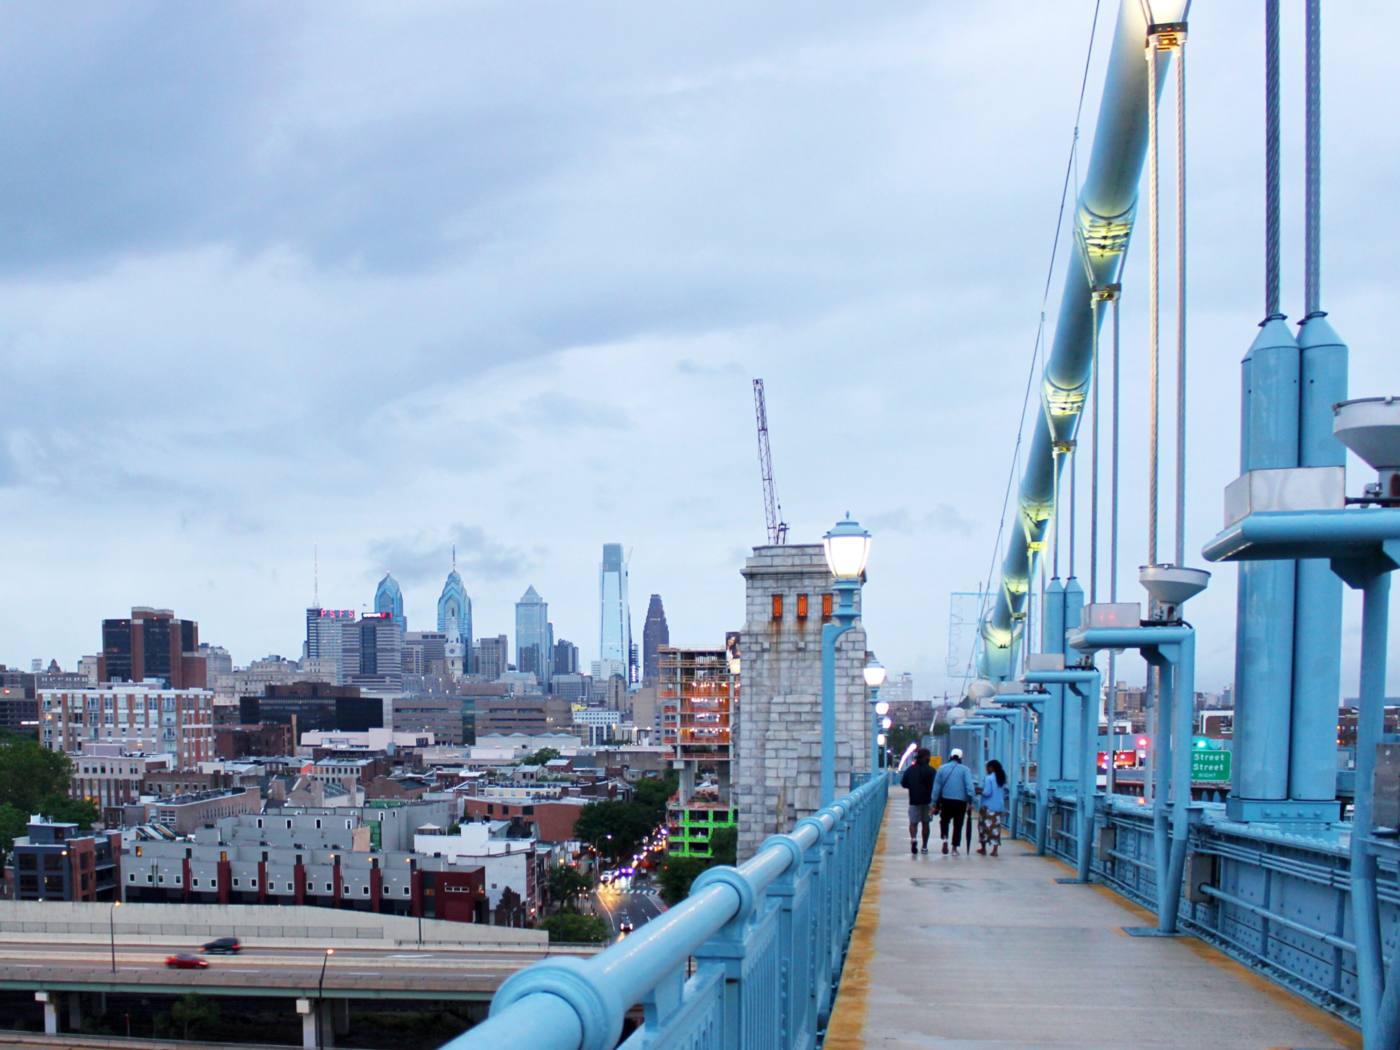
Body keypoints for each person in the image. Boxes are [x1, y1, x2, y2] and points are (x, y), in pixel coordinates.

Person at [932, 747, 976, 855]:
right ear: (961, 758)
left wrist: (933, 803)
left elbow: (936, 788)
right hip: (960, 802)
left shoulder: (942, 769)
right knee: (958, 824)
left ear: (950, 756)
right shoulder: (965, 770)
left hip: (946, 800)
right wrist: (971, 802)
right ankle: (954, 848)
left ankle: (945, 839)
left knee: (944, 821)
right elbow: (970, 788)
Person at [900, 747, 936, 854]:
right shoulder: (931, 770)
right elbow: (936, 786)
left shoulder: (910, 769)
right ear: (926, 757)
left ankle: (913, 839)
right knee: (926, 823)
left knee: (913, 823)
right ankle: (924, 846)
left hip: (914, 800)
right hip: (927, 801)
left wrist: (912, 786)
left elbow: (903, 783)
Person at [977, 759, 1008, 856]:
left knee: (983, 827)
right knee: (995, 828)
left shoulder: (989, 778)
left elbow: (987, 792)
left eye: (987, 767)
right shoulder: (1001, 778)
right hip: (998, 807)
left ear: (991, 768)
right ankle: (995, 850)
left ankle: (983, 848)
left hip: (987, 807)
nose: (986, 769)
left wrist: (979, 791)